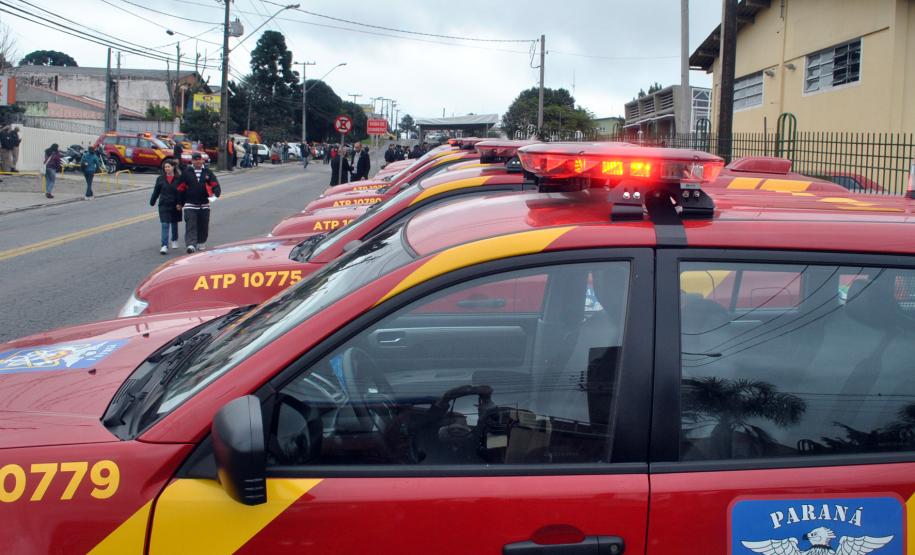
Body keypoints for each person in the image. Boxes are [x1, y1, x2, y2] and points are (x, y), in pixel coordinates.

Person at [178, 153, 221, 253]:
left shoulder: (208, 172)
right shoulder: (186, 172)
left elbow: (215, 184)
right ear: (192, 161)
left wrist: (216, 192)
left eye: (199, 160)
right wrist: (180, 202)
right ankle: (191, 244)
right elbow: (180, 188)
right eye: (195, 160)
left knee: (203, 225)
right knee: (191, 225)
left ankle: (201, 241)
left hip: (204, 205)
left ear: (202, 161)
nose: (197, 161)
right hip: (190, 204)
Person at [150, 160, 182, 255]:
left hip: (175, 205)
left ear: (173, 167)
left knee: (174, 223)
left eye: (168, 166)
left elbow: (181, 192)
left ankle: (174, 239)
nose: (166, 169)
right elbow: (156, 191)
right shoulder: (160, 179)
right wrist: (153, 201)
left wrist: (180, 203)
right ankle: (164, 245)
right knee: (165, 224)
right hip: (164, 204)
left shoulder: (178, 179)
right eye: (165, 167)